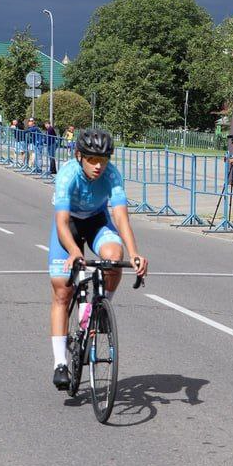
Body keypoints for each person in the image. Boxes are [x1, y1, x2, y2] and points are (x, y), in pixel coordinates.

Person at [47, 128, 148, 389]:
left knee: (115, 257)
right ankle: (60, 363)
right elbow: (61, 222)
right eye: (92, 160)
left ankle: (101, 309)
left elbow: (121, 217)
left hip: (96, 222)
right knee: (62, 291)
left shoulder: (112, 175)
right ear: (79, 155)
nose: (98, 166)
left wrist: (135, 252)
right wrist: (74, 251)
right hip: (69, 226)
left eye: (103, 160)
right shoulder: (67, 176)